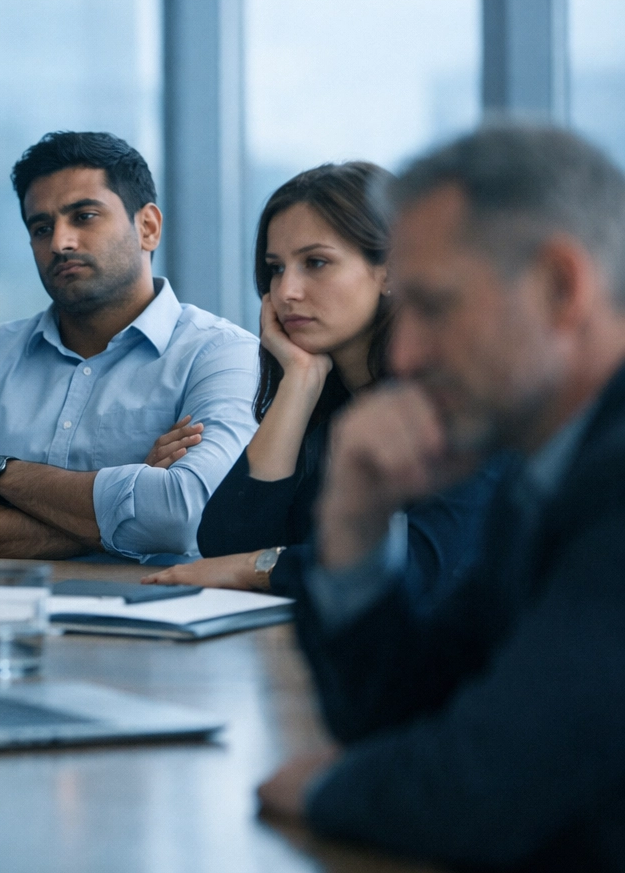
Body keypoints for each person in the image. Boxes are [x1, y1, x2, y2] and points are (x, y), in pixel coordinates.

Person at [256, 125, 625, 869]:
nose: (405, 353)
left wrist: (327, 790)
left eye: (435, 306)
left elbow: (482, 785)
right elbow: (404, 715)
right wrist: (356, 526)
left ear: (561, 287)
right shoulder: (540, 469)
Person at [0, 131, 260, 561]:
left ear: (148, 227)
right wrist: (130, 501)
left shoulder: (222, 355)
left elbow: (187, 516)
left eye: (84, 216)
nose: (60, 242)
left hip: (148, 622)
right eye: (42, 227)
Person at [142, 163, 500, 599]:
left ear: (390, 270)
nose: (286, 290)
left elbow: (425, 563)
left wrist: (261, 566)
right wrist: (298, 380)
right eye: (275, 268)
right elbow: (225, 545)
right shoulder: (328, 402)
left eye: (316, 262)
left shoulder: (456, 399)